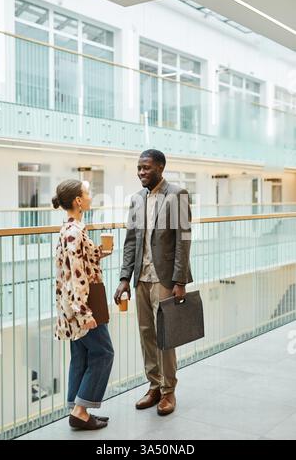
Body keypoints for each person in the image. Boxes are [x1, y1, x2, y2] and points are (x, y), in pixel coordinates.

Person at [114, 150, 193, 416]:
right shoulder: (136, 200)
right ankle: (154, 385)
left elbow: (183, 240)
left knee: (165, 336)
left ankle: (169, 391)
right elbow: (131, 242)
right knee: (146, 334)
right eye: (138, 168)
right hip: (141, 279)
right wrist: (125, 277)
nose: (141, 172)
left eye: (146, 168)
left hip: (165, 278)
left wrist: (179, 280)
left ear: (160, 167)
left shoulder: (177, 194)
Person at [52, 179, 114, 430]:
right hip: (84, 303)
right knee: (103, 353)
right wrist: (84, 312)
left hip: (73, 304)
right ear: (78, 201)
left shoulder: (70, 228)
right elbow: (74, 276)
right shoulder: (75, 232)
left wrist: (98, 252)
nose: (90, 197)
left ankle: (77, 409)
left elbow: (77, 263)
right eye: (87, 194)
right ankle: (80, 411)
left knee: (81, 355)